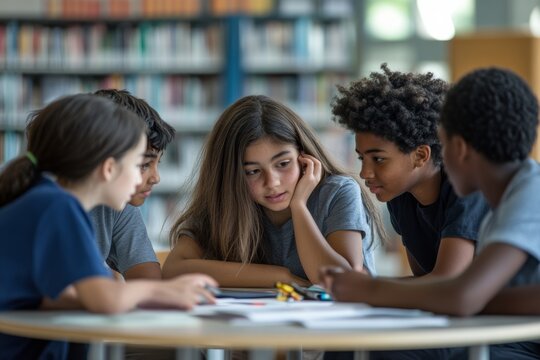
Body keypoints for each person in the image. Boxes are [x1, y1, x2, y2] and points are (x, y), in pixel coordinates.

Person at [321, 67, 540, 359]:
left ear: (458, 148)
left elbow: (463, 295)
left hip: (519, 343)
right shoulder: (509, 195)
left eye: (443, 145)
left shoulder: (529, 195)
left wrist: (369, 290)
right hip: (498, 331)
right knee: (350, 350)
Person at [0, 94, 216, 360]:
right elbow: (105, 300)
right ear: (109, 168)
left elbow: (52, 297)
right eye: (139, 165)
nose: (148, 177)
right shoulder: (60, 207)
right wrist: (166, 291)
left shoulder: (43, 198)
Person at [162, 95, 387, 287]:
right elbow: (173, 269)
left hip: (341, 333)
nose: (273, 183)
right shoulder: (226, 203)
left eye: (283, 164)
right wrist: (282, 277)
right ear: (231, 177)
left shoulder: (337, 192)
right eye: (252, 172)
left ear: (303, 156)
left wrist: (299, 207)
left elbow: (343, 279)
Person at [331, 63, 489, 279]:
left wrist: (362, 288)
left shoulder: (468, 187)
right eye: (362, 158)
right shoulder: (400, 197)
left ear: (421, 155)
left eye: (378, 159)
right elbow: (423, 278)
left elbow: (445, 282)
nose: (364, 173)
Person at [90, 89, 176, 280]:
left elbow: (148, 281)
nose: (156, 178)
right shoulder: (56, 203)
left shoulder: (119, 201)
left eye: (157, 163)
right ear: (107, 162)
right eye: (144, 165)